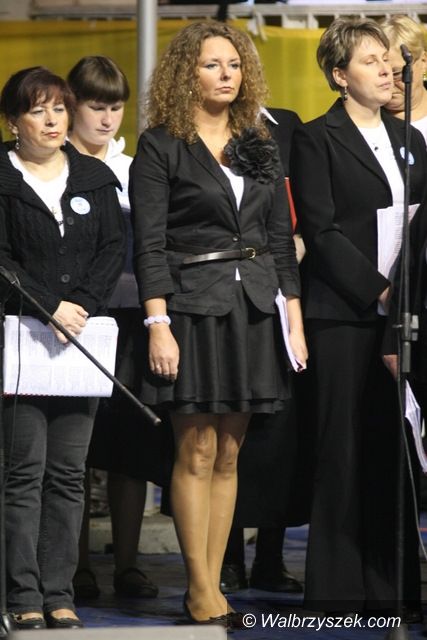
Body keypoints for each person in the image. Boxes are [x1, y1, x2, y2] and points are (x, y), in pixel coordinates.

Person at [129, 21, 307, 628]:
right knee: (197, 447)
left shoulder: (259, 140)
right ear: (188, 73)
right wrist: (158, 321)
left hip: (254, 306)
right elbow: (149, 244)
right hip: (191, 307)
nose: (226, 74)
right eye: (212, 64)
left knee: (231, 451)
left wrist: (293, 318)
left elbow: (280, 240)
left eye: (233, 63)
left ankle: (213, 588)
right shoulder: (161, 145)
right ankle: (201, 586)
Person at [290, 17, 427, 617]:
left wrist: (407, 297)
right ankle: (337, 593)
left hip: (404, 316)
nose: (388, 69)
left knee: (392, 448)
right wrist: (381, 290)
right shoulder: (316, 138)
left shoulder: (410, 138)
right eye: (371, 61)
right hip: (344, 313)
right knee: (341, 448)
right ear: (340, 75)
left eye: (389, 59)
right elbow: (321, 231)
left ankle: (392, 589)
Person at [0, 66, 125, 630]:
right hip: (22, 338)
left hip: (80, 338)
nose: (52, 121)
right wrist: (48, 304)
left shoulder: (94, 177)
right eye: (37, 110)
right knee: (23, 471)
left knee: (69, 473)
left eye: (58, 109)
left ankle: (59, 592)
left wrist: (81, 306)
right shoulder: (3, 178)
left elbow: (111, 250)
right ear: (13, 121)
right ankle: (22, 593)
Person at [67, 55, 158, 601]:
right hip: (72, 323)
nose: (106, 119)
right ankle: (74, 566)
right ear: (72, 105)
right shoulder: (52, 165)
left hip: (131, 322)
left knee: (131, 449)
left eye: (116, 108)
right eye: (95, 106)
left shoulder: (133, 168)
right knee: (73, 450)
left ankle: (128, 564)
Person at [220, 106, 306, 596]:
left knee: (278, 432)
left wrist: (299, 242)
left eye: (238, 67)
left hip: (284, 288)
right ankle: (227, 558)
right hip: (227, 288)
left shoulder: (287, 126)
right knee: (227, 426)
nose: (230, 74)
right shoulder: (200, 128)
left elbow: (305, 200)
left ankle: (270, 558)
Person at [380, 14, 427, 143]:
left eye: (396, 73)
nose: (388, 83)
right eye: (381, 74)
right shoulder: (364, 123)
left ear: (423, 61)